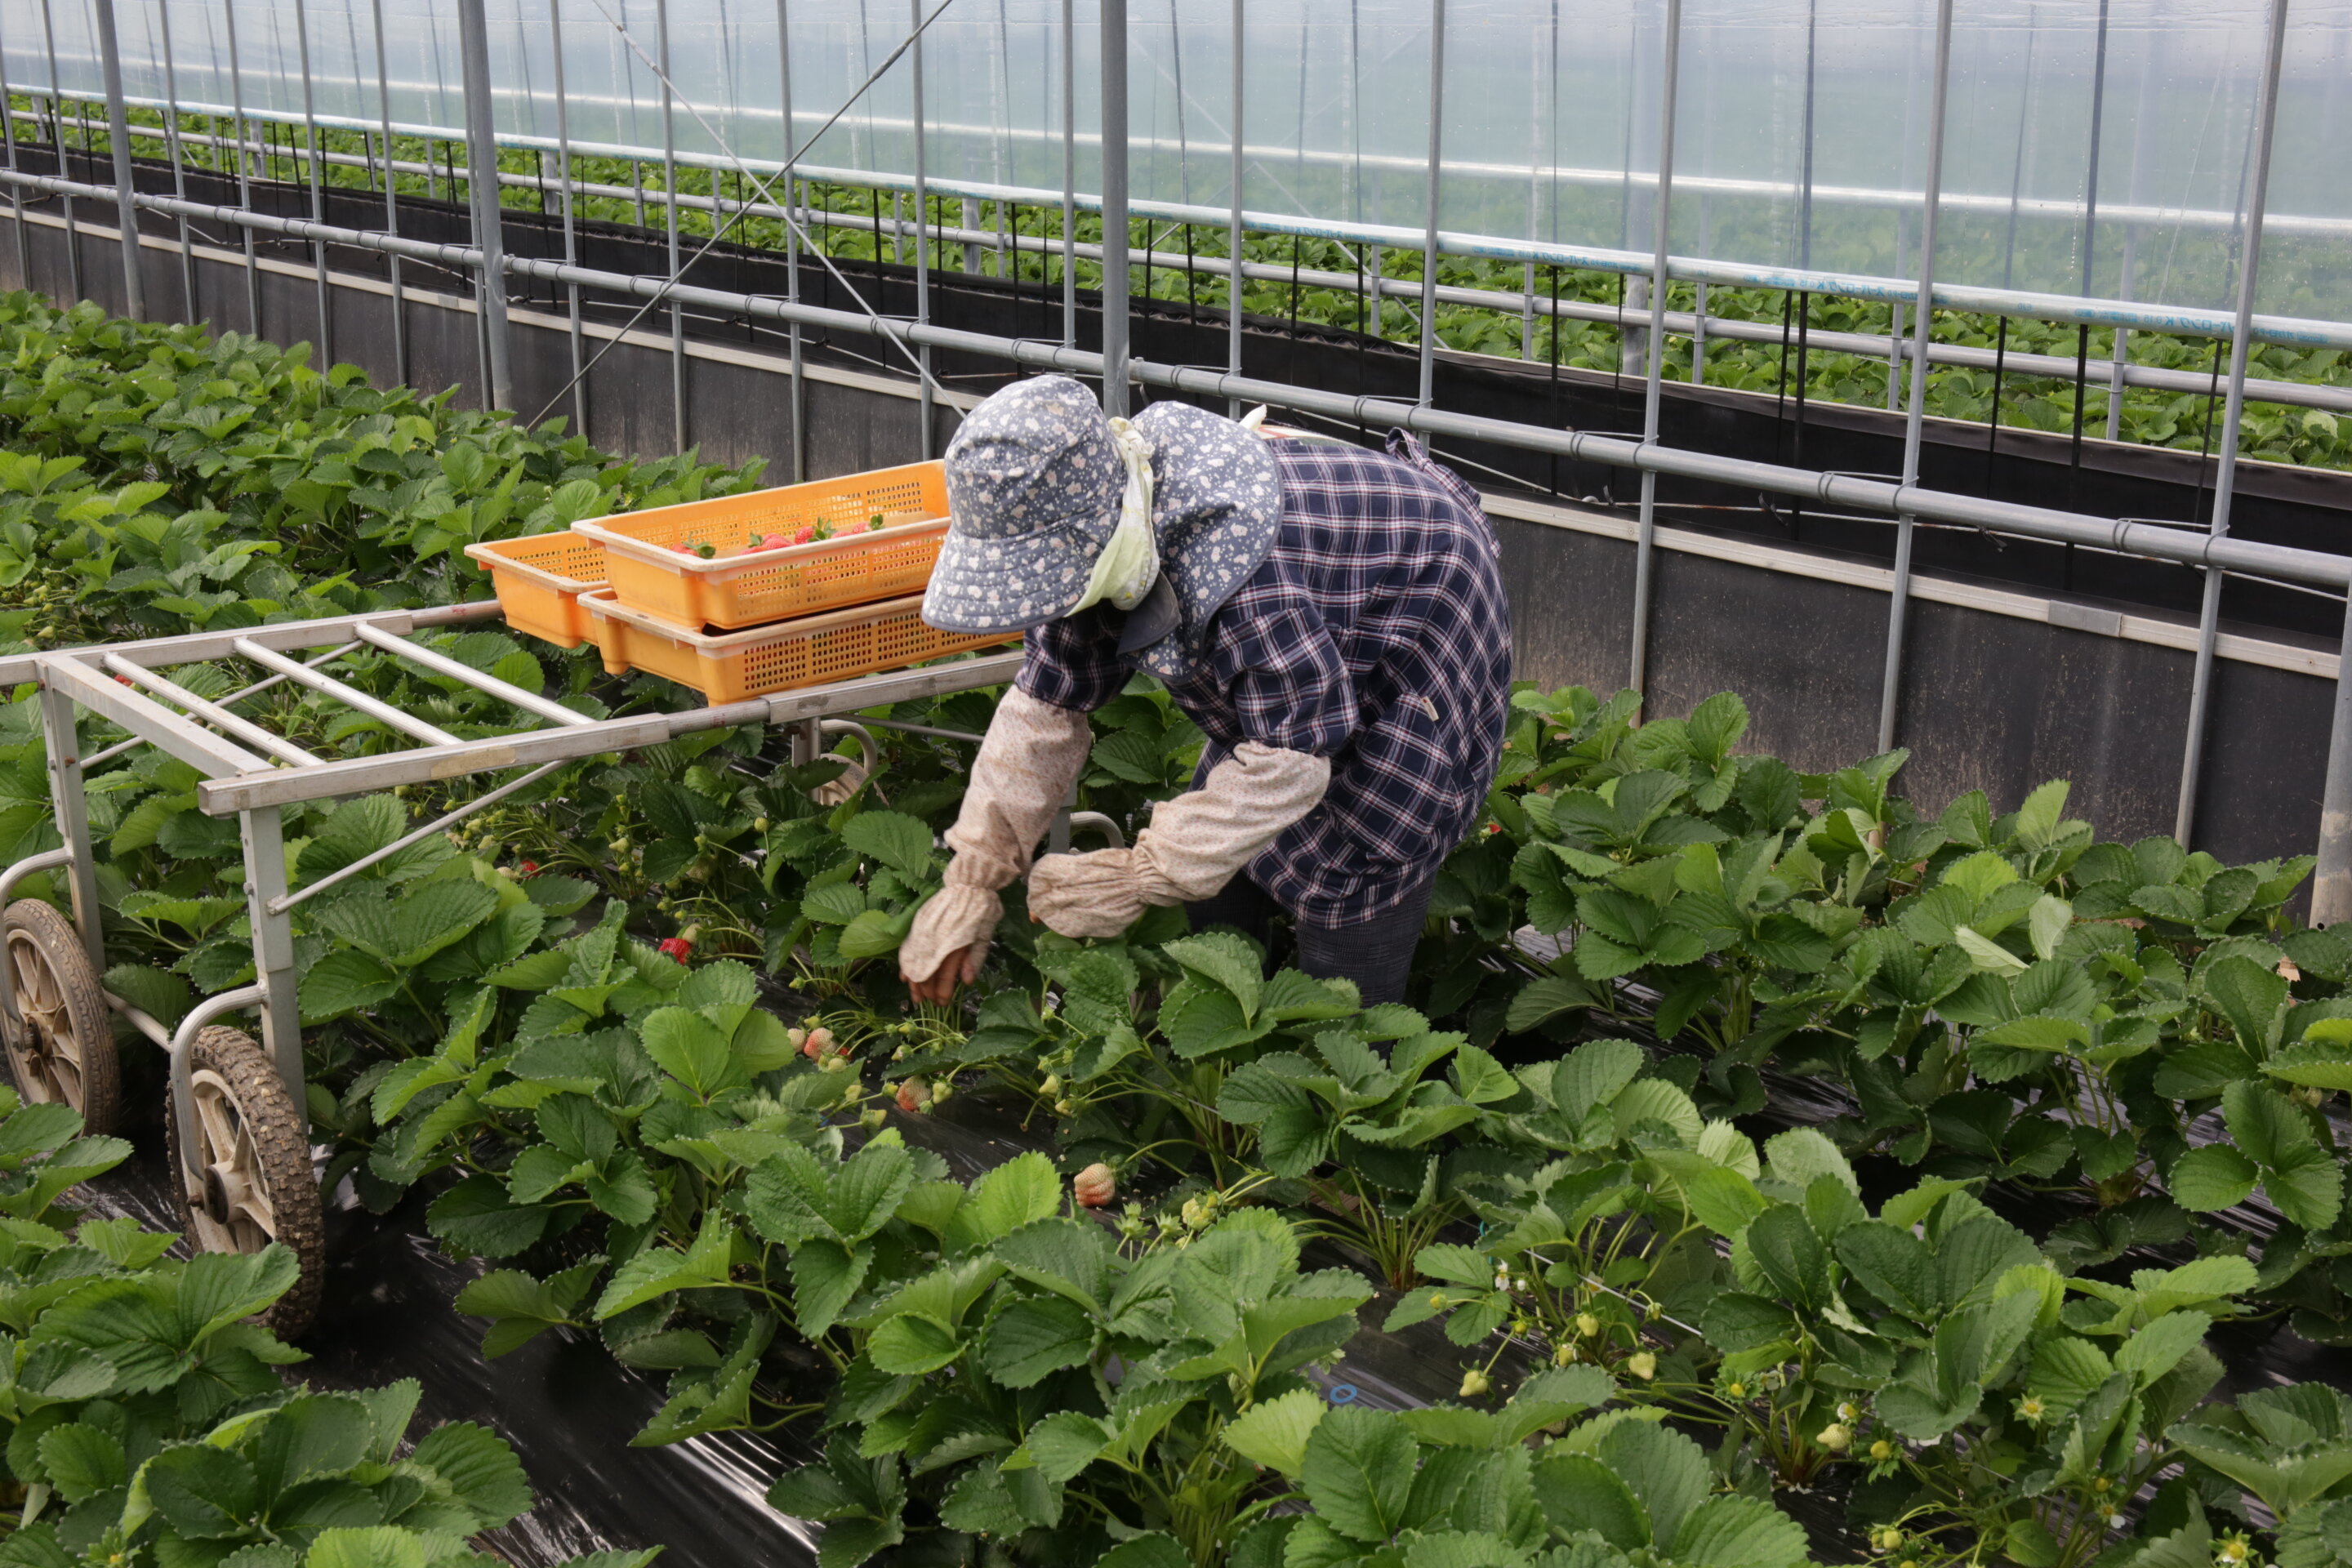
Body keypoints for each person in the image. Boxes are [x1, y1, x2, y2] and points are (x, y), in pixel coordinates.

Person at [898, 375, 1511, 1008]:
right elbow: (1045, 709)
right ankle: (1228, 1022)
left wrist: (1141, 875)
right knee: (1222, 856)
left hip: (1421, 609)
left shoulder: (1242, 568)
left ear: (1092, 537)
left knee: (1362, 849)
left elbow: (1288, 762)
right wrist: (972, 881)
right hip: (1312, 611)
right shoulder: (1103, 523)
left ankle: (1352, 1067)